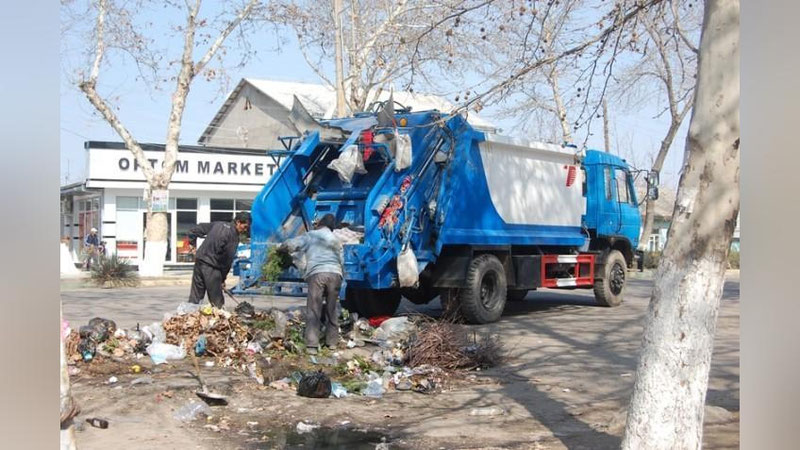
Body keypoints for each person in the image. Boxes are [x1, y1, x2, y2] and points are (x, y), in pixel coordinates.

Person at [281, 214, 345, 354]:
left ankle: (312, 345)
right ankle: (332, 342)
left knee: (314, 309)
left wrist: (281, 247)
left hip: (318, 274)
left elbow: (292, 244)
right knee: (331, 308)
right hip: (335, 275)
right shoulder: (336, 240)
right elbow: (341, 260)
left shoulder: (311, 236)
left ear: (320, 224)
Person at [187, 212, 251, 308]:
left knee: (195, 298)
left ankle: (189, 317)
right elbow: (227, 261)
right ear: (238, 222)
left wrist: (192, 244)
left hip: (199, 262)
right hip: (212, 267)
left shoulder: (218, 225)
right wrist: (222, 279)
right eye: (245, 227)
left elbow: (194, 230)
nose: (245, 230)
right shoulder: (233, 236)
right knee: (217, 303)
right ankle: (218, 321)